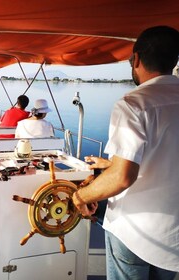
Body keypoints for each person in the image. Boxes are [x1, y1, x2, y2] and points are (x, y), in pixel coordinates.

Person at [72, 26, 179, 279]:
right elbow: (165, 160)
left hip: (135, 233)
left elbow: (123, 177)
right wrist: (109, 164)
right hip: (174, 239)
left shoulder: (134, 103)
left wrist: (81, 196)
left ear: (137, 59)